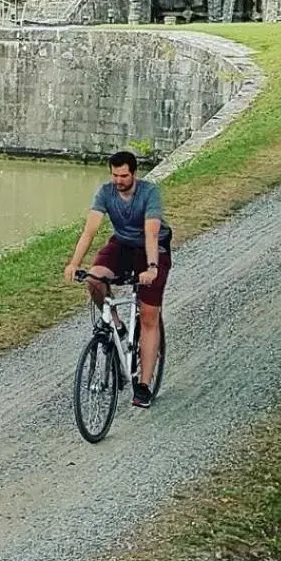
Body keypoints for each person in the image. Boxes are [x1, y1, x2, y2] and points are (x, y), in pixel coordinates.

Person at [63, 150, 170, 408]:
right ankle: (117, 324)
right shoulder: (105, 192)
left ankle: (143, 386)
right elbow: (90, 229)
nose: (119, 180)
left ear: (134, 173)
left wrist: (152, 268)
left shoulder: (149, 193)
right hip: (122, 245)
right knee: (94, 279)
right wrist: (74, 263)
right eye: (115, 175)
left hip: (152, 250)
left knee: (147, 316)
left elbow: (152, 234)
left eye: (124, 175)